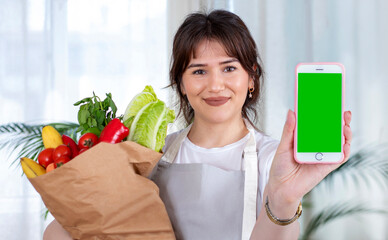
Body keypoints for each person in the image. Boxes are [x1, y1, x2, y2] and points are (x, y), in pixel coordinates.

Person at [44, 9, 352, 240]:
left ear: (251, 79)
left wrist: (284, 199)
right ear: (180, 83)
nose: (215, 85)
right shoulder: (149, 154)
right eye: (199, 71)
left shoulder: (275, 160)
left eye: (229, 68)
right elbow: (58, 233)